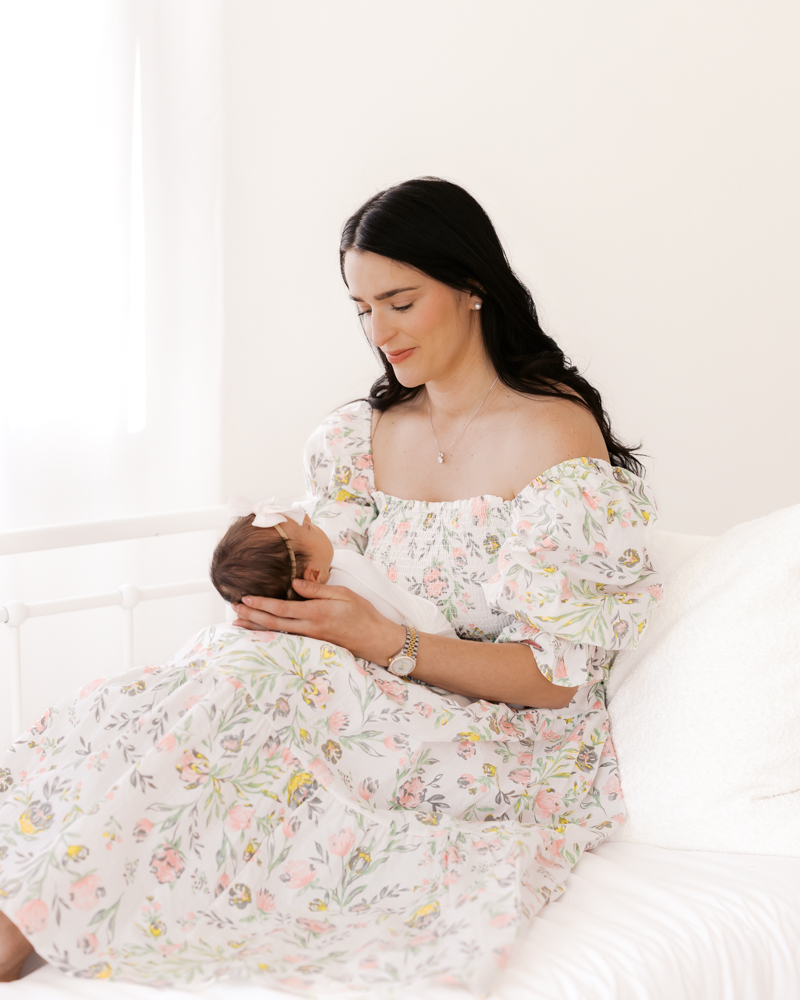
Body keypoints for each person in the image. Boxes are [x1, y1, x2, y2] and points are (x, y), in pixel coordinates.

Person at [0, 177, 663, 994]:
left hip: (498, 737)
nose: (379, 330)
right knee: (194, 681)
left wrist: (382, 641)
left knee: (256, 686)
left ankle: (26, 921)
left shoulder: (553, 437)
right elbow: (330, 573)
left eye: (400, 301)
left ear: (472, 289)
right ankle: (34, 887)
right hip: (356, 684)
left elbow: (557, 681)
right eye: (361, 308)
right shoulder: (356, 439)